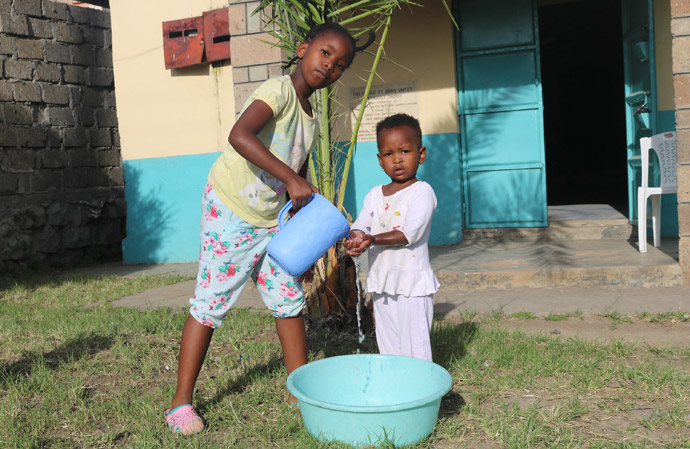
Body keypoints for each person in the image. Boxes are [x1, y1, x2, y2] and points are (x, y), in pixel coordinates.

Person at [165, 22, 360, 435]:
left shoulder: (311, 117)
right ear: (303, 47)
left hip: (272, 223)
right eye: (325, 53)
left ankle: (298, 389)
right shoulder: (277, 91)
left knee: (288, 299)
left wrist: (300, 240)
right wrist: (292, 178)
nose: (330, 66)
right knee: (211, 303)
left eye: (340, 64)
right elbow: (240, 134)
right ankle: (181, 403)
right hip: (232, 211)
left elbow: (300, 185)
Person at [344, 113, 439, 362]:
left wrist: (371, 240)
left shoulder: (422, 192)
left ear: (421, 154)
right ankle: (396, 391)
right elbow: (361, 225)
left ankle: (421, 394)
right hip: (383, 282)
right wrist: (354, 238)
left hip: (413, 286)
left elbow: (410, 233)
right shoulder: (375, 195)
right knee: (388, 346)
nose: (397, 159)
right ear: (380, 160)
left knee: (415, 347)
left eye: (405, 151)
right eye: (388, 154)